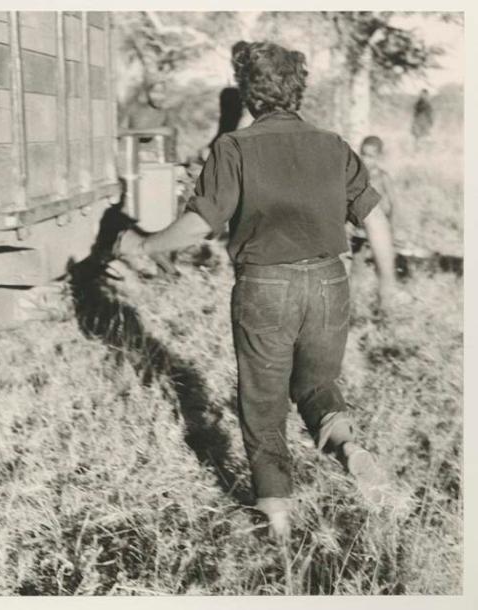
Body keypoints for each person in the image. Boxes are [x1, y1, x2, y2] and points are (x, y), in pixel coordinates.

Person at [112, 41, 400, 542]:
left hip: (266, 286)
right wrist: (388, 289)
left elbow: (200, 223)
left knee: (264, 404)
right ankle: (350, 450)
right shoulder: (333, 144)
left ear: (248, 92)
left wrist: (144, 245)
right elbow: (376, 220)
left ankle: (277, 523)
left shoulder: (234, 148)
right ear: (299, 89)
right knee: (316, 388)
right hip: (331, 282)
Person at [345, 135, 400, 275]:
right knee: (356, 262)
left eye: (370, 156)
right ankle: (355, 292)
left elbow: (394, 204)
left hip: (378, 226)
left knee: (382, 264)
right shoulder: (356, 175)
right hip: (358, 225)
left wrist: (392, 229)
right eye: (363, 154)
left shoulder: (382, 177)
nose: (365, 159)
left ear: (379, 157)